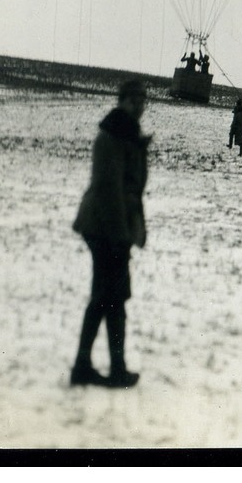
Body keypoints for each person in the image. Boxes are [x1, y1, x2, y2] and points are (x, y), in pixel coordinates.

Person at [70, 77, 150, 388]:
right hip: (104, 226)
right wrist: (120, 235)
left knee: (111, 298)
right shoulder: (113, 136)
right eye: (134, 100)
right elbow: (110, 190)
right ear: (123, 101)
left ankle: (104, 366)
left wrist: (134, 229)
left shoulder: (127, 133)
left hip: (114, 227)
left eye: (143, 101)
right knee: (107, 296)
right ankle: (91, 367)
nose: (140, 106)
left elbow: (132, 190)